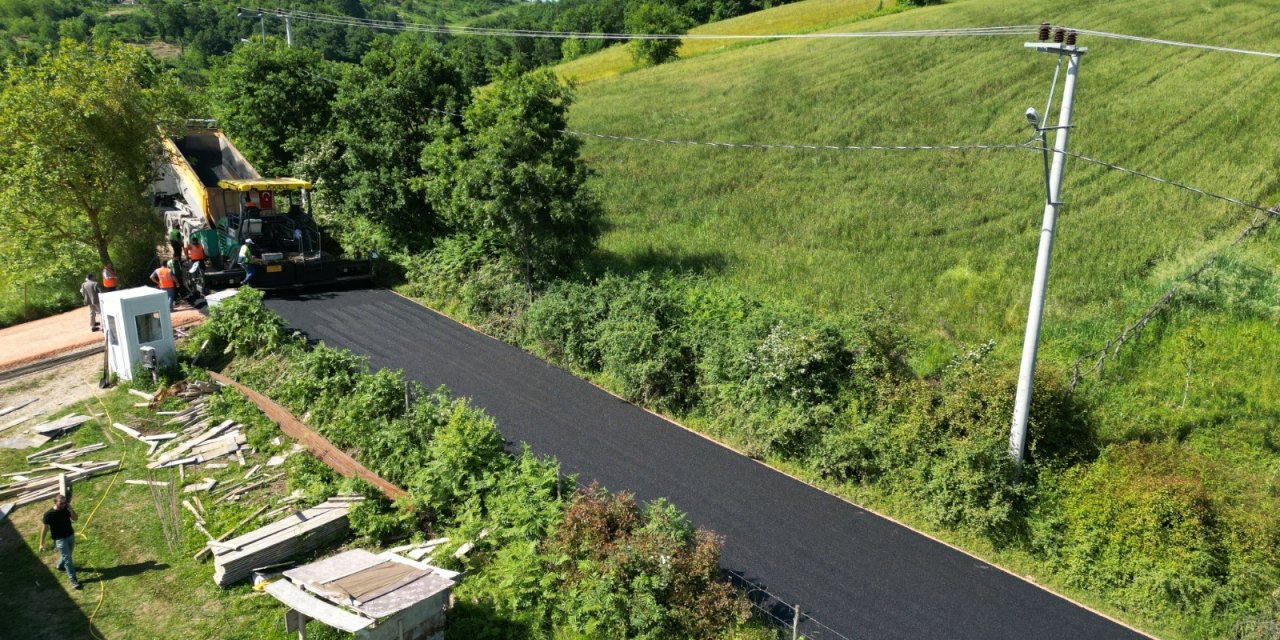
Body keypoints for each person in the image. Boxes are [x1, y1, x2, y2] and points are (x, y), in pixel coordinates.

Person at [39, 494, 81, 590]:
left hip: (70, 536)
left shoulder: (66, 509)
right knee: (68, 559)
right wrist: (41, 543)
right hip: (60, 540)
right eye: (61, 503)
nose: (63, 505)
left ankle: (59, 565)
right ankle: (73, 580)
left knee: (68, 554)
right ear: (55, 502)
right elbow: (44, 529)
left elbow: (75, 518)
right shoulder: (49, 515)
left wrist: (70, 509)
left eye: (65, 503)